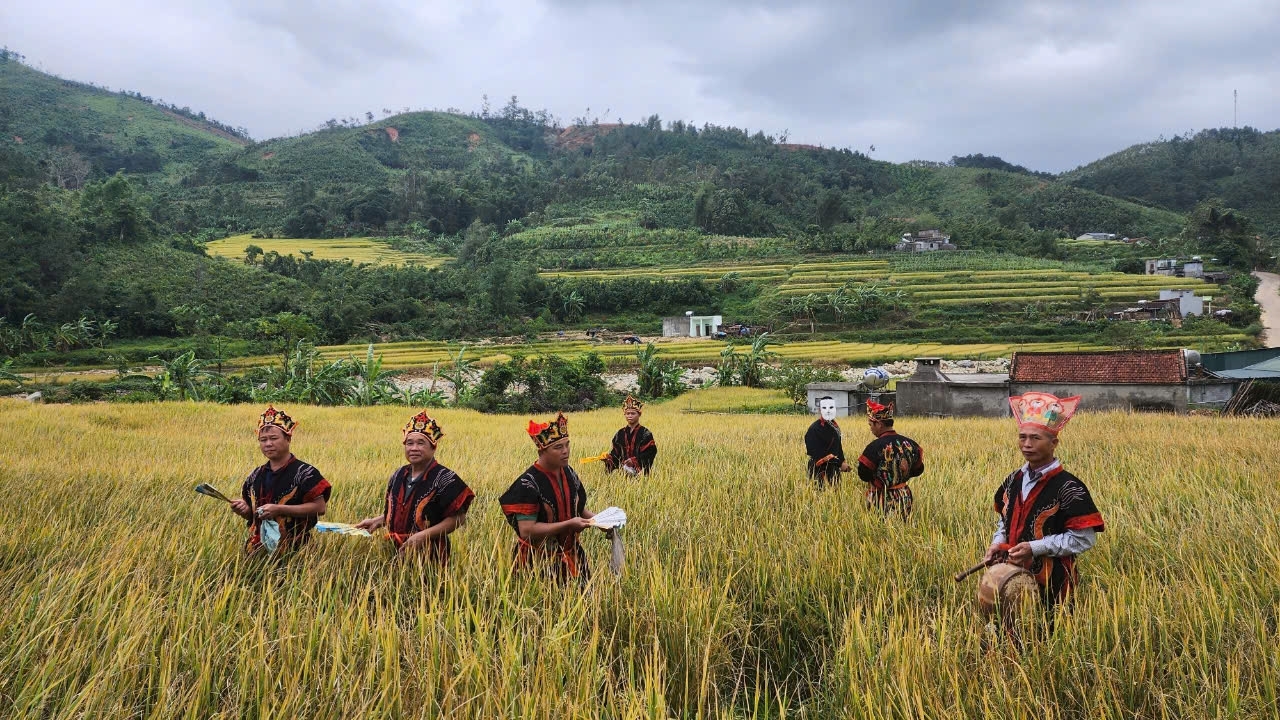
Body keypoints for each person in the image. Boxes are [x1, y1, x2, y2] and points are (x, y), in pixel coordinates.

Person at [982, 392, 1105, 611]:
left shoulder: (1069, 488)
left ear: (1054, 442)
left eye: (1035, 438)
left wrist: (1035, 547)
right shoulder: (1013, 480)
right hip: (1011, 579)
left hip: (1053, 584)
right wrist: (997, 543)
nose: (1027, 444)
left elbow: (1084, 540)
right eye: (1022, 437)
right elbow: (1005, 520)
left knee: (1047, 636)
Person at [354, 410, 475, 564]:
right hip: (397, 550)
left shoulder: (445, 478)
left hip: (431, 556)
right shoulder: (398, 474)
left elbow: (458, 518)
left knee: (427, 587)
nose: (414, 448)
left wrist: (423, 536)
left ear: (433, 447)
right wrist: (377, 521)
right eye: (409, 443)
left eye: (421, 443)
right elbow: (403, 510)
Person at [499, 413, 603, 584]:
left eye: (567, 445)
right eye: (558, 447)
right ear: (542, 450)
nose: (565, 451)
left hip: (573, 557)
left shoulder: (569, 473)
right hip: (537, 562)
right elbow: (527, 530)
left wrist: (599, 521)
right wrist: (569, 524)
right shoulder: (528, 483)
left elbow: (578, 510)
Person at [230, 406, 331, 554]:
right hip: (258, 550)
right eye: (263, 440)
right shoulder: (255, 476)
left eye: (274, 438)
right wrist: (244, 510)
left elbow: (319, 508)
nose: (268, 444)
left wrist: (279, 509)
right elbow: (253, 516)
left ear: (288, 438)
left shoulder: (305, 473)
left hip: (297, 550)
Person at [856, 400, 925, 517]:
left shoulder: (875, 447)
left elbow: (863, 474)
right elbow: (918, 469)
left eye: (871, 425)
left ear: (879, 424)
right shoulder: (910, 444)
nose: (870, 429)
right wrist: (899, 477)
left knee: (880, 531)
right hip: (904, 497)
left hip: (881, 499)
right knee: (903, 531)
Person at [603, 395, 657, 476]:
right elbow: (616, 454)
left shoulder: (645, 433)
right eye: (627, 413)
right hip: (623, 473)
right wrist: (609, 459)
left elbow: (650, 452)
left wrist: (635, 461)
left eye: (633, 413)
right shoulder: (619, 434)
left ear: (639, 414)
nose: (630, 416)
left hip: (640, 474)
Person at [805, 396, 850, 486]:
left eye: (831, 407)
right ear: (819, 410)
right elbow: (818, 454)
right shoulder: (814, 429)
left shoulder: (834, 425)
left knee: (835, 495)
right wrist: (839, 463)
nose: (828, 411)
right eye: (824, 408)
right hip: (819, 469)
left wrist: (842, 461)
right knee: (820, 495)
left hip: (833, 468)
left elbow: (838, 445)